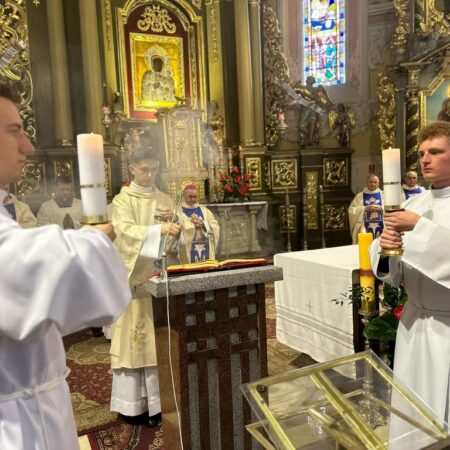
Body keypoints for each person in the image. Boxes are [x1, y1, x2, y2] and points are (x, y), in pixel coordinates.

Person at [0, 83, 131, 450]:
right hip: (16, 423)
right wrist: (94, 241)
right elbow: (18, 265)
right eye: (14, 131)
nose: (27, 147)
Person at [369, 121, 450, 430]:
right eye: (421, 153)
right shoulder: (413, 203)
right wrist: (387, 248)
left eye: (436, 152)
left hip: (447, 325)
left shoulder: (413, 214)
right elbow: (390, 270)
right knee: (412, 415)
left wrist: (418, 228)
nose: (425, 159)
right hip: (415, 326)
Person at [110, 147, 181, 427]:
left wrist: (178, 226)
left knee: (159, 343)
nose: (150, 175)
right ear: (132, 168)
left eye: (154, 169)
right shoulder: (122, 200)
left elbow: (180, 232)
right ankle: (133, 406)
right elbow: (124, 233)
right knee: (136, 343)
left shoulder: (164, 199)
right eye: (145, 170)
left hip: (161, 282)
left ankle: (159, 404)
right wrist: (157, 230)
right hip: (136, 283)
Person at [178, 184, 220, 263]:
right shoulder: (178, 210)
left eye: (195, 197)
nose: (193, 199)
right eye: (190, 197)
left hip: (206, 245)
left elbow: (215, 226)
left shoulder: (204, 210)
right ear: (184, 196)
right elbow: (177, 225)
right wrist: (191, 224)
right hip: (188, 247)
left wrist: (204, 224)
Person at [348, 174, 384, 243]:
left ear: (379, 183)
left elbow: (391, 209)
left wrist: (381, 208)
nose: (373, 184)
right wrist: (364, 209)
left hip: (382, 225)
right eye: (370, 182)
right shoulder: (359, 196)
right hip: (364, 226)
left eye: (375, 182)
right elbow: (351, 210)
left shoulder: (384, 195)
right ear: (367, 183)